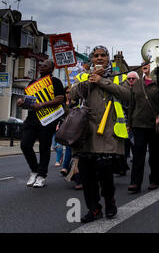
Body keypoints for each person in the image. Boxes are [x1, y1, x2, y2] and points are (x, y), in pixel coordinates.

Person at [70, 46, 131, 222]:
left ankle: (109, 202)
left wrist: (102, 80)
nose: (99, 58)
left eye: (103, 55)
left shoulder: (119, 76)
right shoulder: (83, 76)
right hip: (86, 132)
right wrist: (90, 80)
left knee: (105, 173)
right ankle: (94, 208)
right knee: (87, 175)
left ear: (108, 58)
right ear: (91, 59)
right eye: (96, 56)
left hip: (108, 131)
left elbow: (127, 95)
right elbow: (73, 94)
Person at [17, 60, 65, 188]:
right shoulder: (33, 83)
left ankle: (42, 176)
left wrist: (42, 104)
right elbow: (29, 100)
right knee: (25, 145)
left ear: (51, 69)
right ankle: (34, 170)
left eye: (44, 65)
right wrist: (22, 102)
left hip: (47, 120)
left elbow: (60, 99)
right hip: (32, 119)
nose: (41, 67)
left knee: (44, 147)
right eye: (40, 65)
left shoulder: (55, 82)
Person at [128, 62, 159, 193]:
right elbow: (131, 104)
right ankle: (135, 182)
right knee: (138, 154)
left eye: (148, 64)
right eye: (143, 64)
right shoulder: (137, 84)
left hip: (154, 124)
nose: (145, 65)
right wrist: (129, 123)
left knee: (154, 154)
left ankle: (154, 180)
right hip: (138, 124)